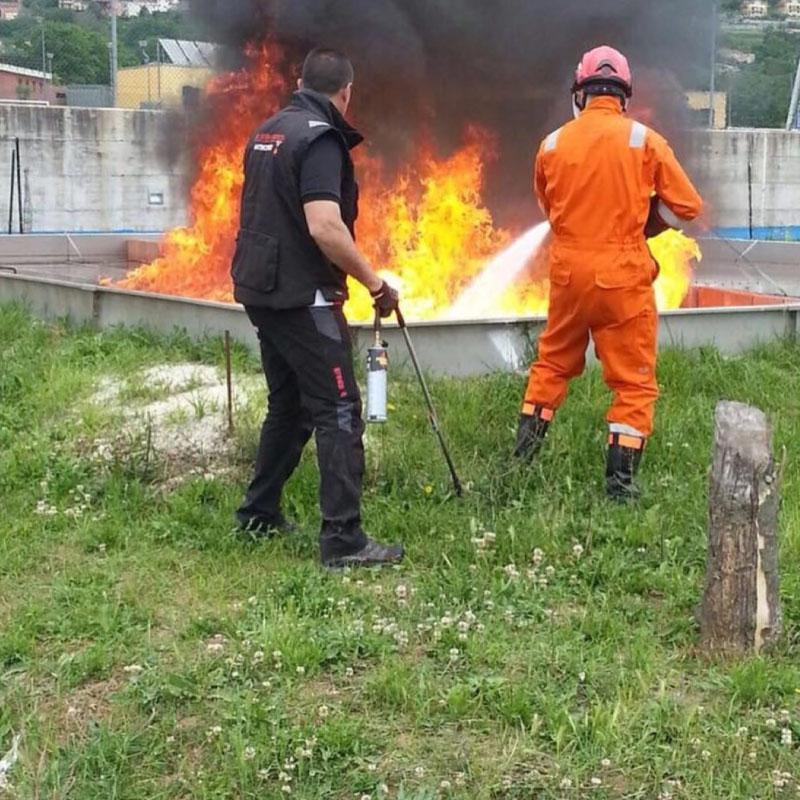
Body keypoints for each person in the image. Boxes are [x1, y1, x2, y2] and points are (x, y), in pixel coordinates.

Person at [231, 48, 404, 568]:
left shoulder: (269, 130)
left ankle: (259, 512)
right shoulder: (321, 138)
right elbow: (325, 226)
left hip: (262, 290)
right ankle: (343, 540)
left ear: (299, 80)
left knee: (290, 406)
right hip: (304, 296)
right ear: (346, 93)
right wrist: (375, 283)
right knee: (339, 410)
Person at [514, 45, 703, 501]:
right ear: (624, 95)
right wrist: (647, 225)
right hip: (623, 275)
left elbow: (549, 208)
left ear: (579, 92)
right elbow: (688, 207)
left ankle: (520, 464)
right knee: (633, 381)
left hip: (569, 274)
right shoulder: (645, 141)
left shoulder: (553, 144)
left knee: (552, 364)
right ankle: (620, 485)